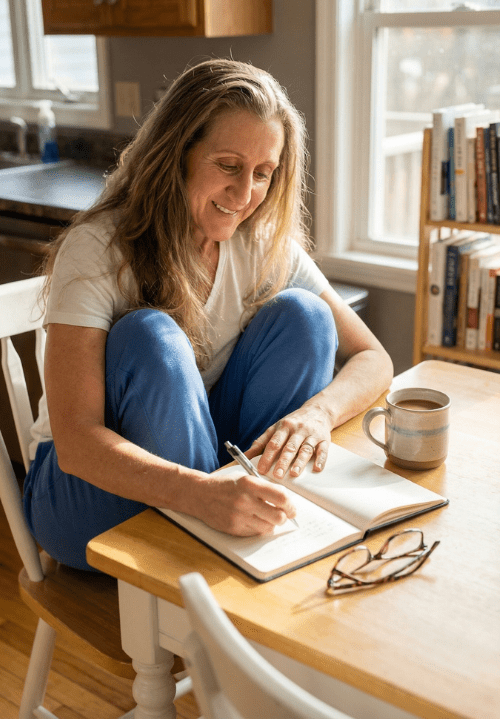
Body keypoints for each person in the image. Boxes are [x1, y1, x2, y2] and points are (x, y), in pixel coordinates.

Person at [23, 59, 393, 571]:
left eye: (263, 174)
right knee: (149, 335)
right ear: (177, 154)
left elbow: (374, 358)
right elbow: (77, 445)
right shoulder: (99, 249)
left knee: (305, 316)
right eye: (227, 165)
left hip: (202, 475)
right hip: (83, 495)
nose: (244, 196)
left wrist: (317, 415)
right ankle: (219, 535)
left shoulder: (261, 245)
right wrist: (203, 494)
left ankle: (249, 520)